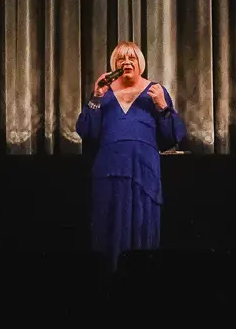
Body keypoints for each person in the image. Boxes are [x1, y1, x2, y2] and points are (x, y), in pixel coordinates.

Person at [77, 41, 186, 269]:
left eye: (132, 58)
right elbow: (87, 132)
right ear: (114, 65)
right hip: (109, 172)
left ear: (140, 63)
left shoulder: (155, 91)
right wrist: (95, 97)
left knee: (142, 225)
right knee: (108, 228)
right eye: (121, 59)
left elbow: (171, 136)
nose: (126, 62)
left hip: (143, 172)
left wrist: (162, 106)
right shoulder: (104, 93)